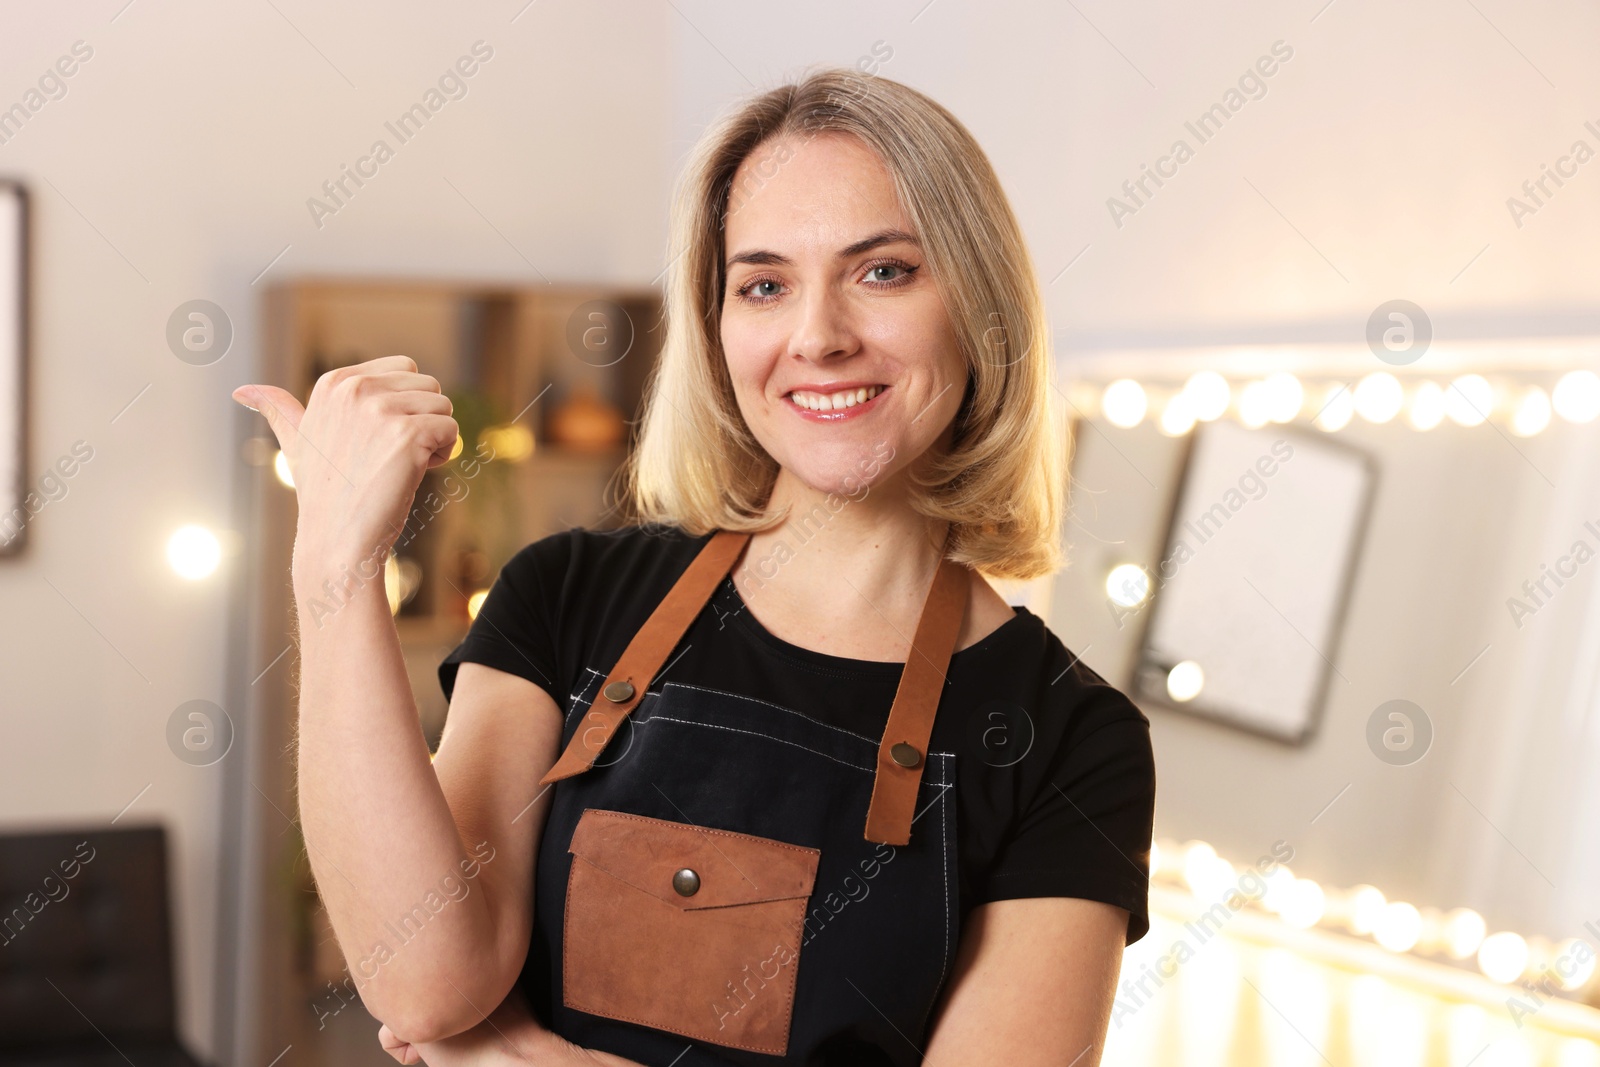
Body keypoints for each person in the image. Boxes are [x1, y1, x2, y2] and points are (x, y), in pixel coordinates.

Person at [233, 66, 1155, 1067]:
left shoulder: (1068, 741)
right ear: (717, 335)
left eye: (882, 270)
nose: (818, 336)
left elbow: (459, 1036)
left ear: (979, 305)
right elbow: (426, 978)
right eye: (763, 284)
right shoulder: (568, 597)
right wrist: (334, 560)